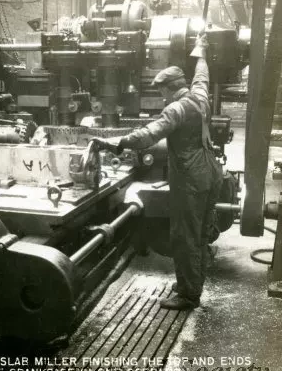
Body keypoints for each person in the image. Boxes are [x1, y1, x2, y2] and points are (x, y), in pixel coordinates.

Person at [92, 34, 223, 310]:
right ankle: (192, 281)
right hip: (211, 172)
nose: (161, 96)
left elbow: (148, 135)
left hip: (191, 178)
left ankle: (188, 294)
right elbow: (202, 74)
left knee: (185, 236)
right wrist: (201, 50)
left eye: (161, 91)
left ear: (168, 89)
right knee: (200, 233)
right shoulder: (200, 96)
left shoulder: (176, 109)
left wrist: (116, 142)